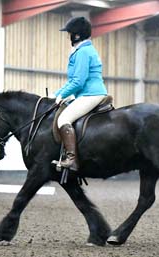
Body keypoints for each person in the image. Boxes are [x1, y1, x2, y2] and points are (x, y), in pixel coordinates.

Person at [54, 16, 107, 171]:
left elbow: (78, 81)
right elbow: (74, 82)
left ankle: (71, 159)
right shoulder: (85, 50)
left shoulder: (83, 52)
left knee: (63, 119)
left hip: (90, 94)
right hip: (88, 93)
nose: (68, 36)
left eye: (69, 33)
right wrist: (57, 93)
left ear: (76, 35)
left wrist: (61, 95)